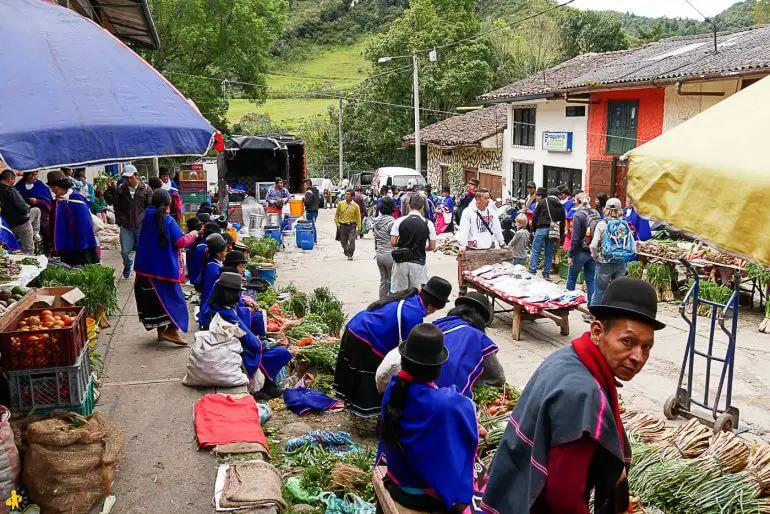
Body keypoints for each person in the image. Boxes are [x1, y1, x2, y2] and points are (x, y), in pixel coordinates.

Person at [482, 278, 665, 514]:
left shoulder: (568, 357)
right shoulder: (582, 394)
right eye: (627, 342)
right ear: (598, 332)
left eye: (646, 347)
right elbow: (563, 497)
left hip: (509, 492)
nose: (638, 357)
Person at [378, 323, 479, 513]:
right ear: (438, 368)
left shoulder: (395, 387)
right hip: (422, 498)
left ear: (405, 359)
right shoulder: (445, 404)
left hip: (396, 481)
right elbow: (463, 409)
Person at [334, 276, 452, 418]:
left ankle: (354, 405)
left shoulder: (412, 298)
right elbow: (407, 353)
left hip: (356, 326)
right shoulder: (413, 314)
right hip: (364, 337)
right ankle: (370, 412)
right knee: (368, 377)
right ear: (433, 306)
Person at [376, 292, 505, 397]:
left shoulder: (439, 323)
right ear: (481, 320)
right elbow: (498, 377)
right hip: (441, 390)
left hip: (413, 380)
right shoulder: (478, 337)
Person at [201, 272, 292, 397]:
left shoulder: (213, 307)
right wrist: (272, 343)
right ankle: (267, 386)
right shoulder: (229, 315)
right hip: (239, 354)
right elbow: (253, 344)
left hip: (223, 348)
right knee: (282, 352)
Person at [133, 189, 198, 346]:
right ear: (168, 204)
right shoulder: (167, 220)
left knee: (157, 302)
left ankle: (161, 332)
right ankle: (171, 331)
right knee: (174, 301)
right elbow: (180, 242)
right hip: (163, 269)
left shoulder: (147, 217)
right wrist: (194, 234)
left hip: (145, 269)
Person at [46, 170, 100, 266]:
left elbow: (84, 224)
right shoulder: (57, 202)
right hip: (66, 245)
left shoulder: (77, 199)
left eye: (54, 186)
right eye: (51, 187)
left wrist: (81, 242)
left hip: (80, 244)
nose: (53, 190)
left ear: (62, 185)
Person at [590, 198, 635, 306]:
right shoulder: (624, 225)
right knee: (618, 292)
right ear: (620, 210)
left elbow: (593, 245)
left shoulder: (602, 224)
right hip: (620, 262)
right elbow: (632, 246)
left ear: (606, 209)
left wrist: (595, 256)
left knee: (600, 291)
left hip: (604, 262)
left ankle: (595, 316)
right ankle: (615, 316)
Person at [390, 195, 437, 292]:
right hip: (418, 263)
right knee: (417, 295)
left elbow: (393, 242)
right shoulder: (428, 224)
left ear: (408, 205)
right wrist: (422, 247)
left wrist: (403, 244)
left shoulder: (399, 221)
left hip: (401, 263)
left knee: (399, 295)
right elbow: (432, 246)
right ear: (422, 207)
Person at [113, 164, 152, 278]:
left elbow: (150, 207)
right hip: (126, 225)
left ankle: (142, 271)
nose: (129, 180)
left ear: (136, 176)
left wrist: (147, 221)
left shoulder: (145, 189)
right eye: (126, 178)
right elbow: (117, 207)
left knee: (142, 250)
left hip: (141, 225)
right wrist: (120, 219)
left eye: (131, 177)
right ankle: (127, 264)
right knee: (125, 251)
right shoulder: (120, 189)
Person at [569, 192, 600, 312]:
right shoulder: (596, 213)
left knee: (572, 277)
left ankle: (568, 304)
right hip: (593, 251)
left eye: (574, 200)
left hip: (580, 252)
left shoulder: (578, 215)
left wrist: (571, 254)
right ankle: (591, 308)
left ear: (577, 201)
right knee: (591, 280)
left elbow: (575, 239)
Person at [529, 187, 565, 280]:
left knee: (536, 250)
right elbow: (562, 222)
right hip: (553, 230)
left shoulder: (542, 202)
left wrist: (533, 228)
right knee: (548, 252)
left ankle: (532, 271)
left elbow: (535, 216)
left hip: (541, 228)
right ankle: (546, 273)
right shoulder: (560, 206)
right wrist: (560, 235)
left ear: (549, 194)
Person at [0, 169, 37, 254]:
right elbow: (23, 208)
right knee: (28, 249)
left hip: (4, 226)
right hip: (19, 224)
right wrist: (28, 207)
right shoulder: (11, 190)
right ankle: (35, 237)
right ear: (10, 179)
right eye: (13, 180)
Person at [196, 233, 228, 327]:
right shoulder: (213, 270)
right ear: (218, 253)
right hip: (209, 313)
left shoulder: (213, 263)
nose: (227, 253)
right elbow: (208, 296)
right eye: (225, 251)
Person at [14, 170, 52, 243]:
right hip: (25, 214)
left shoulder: (41, 186)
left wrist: (38, 202)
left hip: (42, 215)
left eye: (36, 174)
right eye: (31, 175)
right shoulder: (19, 187)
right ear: (26, 175)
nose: (34, 177)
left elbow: (49, 202)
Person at [373, 196, 396, 299]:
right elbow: (395, 241)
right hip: (390, 254)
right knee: (392, 282)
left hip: (379, 254)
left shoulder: (376, 221)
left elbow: (375, 239)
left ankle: (382, 303)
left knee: (383, 281)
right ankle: (391, 304)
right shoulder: (392, 222)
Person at [334, 189, 361, 261]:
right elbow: (336, 215)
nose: (346, 195)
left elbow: (358, 218)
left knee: (352, 240)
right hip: (342, 226)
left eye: (348, 194)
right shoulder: (340, 203)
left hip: (352, 225)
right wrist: (337, 224)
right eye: (346, 194)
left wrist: (359, 228)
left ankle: (350, 254)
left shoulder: (356, 206)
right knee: (343, 242)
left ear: (352, 196)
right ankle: (346, 250)